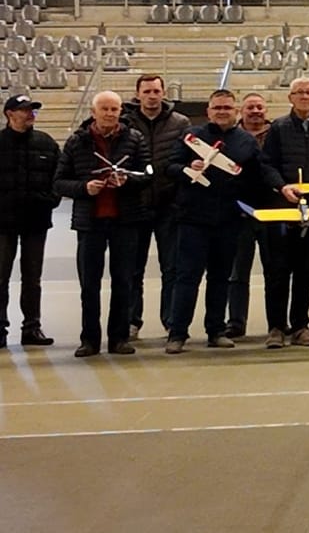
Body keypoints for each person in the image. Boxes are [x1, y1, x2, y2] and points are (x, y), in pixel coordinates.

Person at [163, 90, 280, 353]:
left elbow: (259, 176)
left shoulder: (246, 142)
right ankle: (177, 333)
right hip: (192, 218)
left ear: (235, 111)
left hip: (229, 220)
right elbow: (170, 167)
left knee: (220, 277)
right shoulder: (192, 137)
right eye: (217, 108)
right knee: (187, 277)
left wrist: (279, 190)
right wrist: (187, 169)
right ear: (208, 111)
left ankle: (215, 330)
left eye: (227, 107)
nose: (222, 112)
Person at [55, 91, 152, 356]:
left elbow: (148, 173)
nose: (110, 113)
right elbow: (59, 182)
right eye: (105, 109)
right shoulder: (76, 142)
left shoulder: (134, 139)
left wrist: (128, 181)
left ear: (121, 111)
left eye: (114, 109)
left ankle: (119, 338)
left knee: (124, 281)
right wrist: (84, 188)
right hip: (90, 223)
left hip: (126, 221)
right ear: (93, 112)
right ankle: (89, 340)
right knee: (89, 285)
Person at [255, 77, 309, 349]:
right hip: (282, 212)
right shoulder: (278, 128)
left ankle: (301, 326)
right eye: (299, 92)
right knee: (278, 271)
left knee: (305, 271)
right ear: (290, 97)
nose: (305, 97)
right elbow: (266, 165)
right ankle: (276, 327)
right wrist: (282, 187)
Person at [121, 74, 188, 340]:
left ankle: (171, 321)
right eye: (147, 91)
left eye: (156, 91)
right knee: (132, 268)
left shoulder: (180, 123)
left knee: (171, 267)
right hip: (135, 204)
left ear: (163, 93)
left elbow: (186, 159)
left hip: (169, 205)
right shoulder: (125, 122)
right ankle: (131, 321)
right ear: (138, 94)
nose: (152, 96)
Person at [0, 94, 58, 349]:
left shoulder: (46, 143)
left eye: (32, 110)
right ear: (9, 114)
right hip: (2, 223)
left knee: (32, 278)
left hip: (36, 220)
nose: (30, 114)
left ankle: (32, 328)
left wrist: (50, 200)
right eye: (24, 110)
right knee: (0, 277)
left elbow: (59, 175)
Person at [222, 91, 272, 338]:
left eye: (259, 107)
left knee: (275, 272)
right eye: (250, 107)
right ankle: (236, 321)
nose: (255, 111)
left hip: (272, 213)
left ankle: (277, 323)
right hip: (238, 213)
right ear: (241, 111)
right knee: (237, 273)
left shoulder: (277, 134)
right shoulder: (231, 138)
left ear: (266, 110)